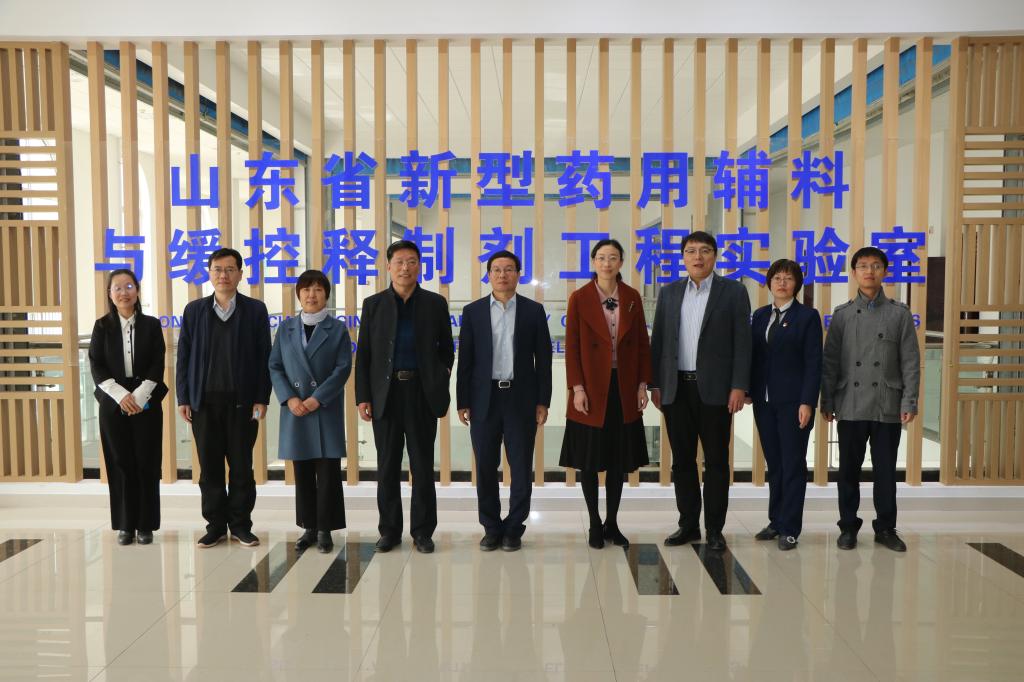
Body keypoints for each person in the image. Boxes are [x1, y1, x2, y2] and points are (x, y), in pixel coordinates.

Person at [650, 230, 751, 552]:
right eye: (691, 251)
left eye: (704, 250)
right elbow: (659, 341)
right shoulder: (669, 293)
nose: (698, 257)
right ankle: (688, 524)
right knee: (682, 462)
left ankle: (715, 528)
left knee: (717, 462)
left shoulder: (733, 292)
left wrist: (739, 385)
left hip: (717, 391)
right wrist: (655, 384)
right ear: (683, 257)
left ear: (714, 256)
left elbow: (743, 343)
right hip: (676, 388)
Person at [355, 240, 455, 554]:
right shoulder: (373, 305)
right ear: (388, 266)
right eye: (399, 262)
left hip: (422, 393)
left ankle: (423, 532)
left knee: (422, 465)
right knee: (387, 465)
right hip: (385, 395)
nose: (405, 268)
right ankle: (389, 531)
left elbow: (447, 350)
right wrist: (363, 396)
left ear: (419, 266)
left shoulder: (435, 303)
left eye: (411, 261)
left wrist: (439, 378)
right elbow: (365, 355)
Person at [821, 246, 920, 552]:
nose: (869, 271)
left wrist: (909, 400)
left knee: (886, 471)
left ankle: (886, 528)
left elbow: (910, 361)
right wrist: (827, 401)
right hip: (850, 402)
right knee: (848, 471)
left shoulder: (899, 314)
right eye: (863, 266)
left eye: (876, 266)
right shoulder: (842, 315)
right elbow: (830, 362)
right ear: (854, 273)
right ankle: (848, 526)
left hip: (886, 402)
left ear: (884, 272)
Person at [457, 250, 553, 552]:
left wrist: (543, 400)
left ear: (518, 275)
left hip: (520, 398)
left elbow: (544, 360)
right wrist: (462, 400)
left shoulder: (533, 311)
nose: (502, 275)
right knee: (486, 466)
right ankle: (490, 527)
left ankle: (514, 528)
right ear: (489, 275)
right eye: (496, 269)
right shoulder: (473, 312)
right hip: (483, 398)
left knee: (521, 466)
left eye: (509, 269)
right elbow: (466, 360)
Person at [176, 248, 271, 549]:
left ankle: (241, 525)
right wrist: (183, 397)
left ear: (240, 274)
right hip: (204, 404)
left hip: (243, 404)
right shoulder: (194, 311)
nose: (223, 275)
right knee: (210, 468)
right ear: (209, 273)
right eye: (217, 269)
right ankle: (215, 526)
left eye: (230, 269)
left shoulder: (255, 310)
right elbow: (183, 357)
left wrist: (262, 397)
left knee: (242, 467)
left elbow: (264, 357)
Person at [560, 238, 651, 549]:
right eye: (601, 257)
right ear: (593, 262)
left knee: (617, 460)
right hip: (590, 389)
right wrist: (577, 388)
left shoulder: (632, 297)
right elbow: (572, 347)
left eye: (613, 257)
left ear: (621, 262)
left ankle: (612, 522)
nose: (607, 263)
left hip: (623, 387)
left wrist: (642, 384)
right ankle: (594, 523)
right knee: (588, 461)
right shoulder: (580, 298)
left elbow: (642, 345)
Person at [269, 269, 352, 554]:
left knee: (328, 473)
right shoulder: (286, 329)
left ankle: (325, 528)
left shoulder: (337, 329)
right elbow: (275, 366)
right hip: (296, 410)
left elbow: (343, 368)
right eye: (306, 289)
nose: (311, 295)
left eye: (317, 289)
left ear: (326, 294)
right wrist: (289, 398)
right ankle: (309, 527)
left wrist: (318, 398)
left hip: (324, 408)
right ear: (299, 294)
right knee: (302, 472)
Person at [88, 269, 168, 545]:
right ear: (110, 294)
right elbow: (96, 364)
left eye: (129, 286)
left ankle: (145, 525)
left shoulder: (151, 325)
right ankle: (125, 525)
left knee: (147, 462)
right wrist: (122, 396)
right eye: (118, 288)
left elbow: (158, 362)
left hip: (146, 402)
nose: (124, 292)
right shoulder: (101, 326)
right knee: (120, 462)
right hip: (113, 403)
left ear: (137, 291)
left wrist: (140, 396)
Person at [748, 259, 822, 551]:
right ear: (769, 282)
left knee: (792, 465)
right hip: (764, 402)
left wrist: (807, 401)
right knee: (775, 464)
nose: (782, 283)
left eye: (788, 279)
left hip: (794, 403)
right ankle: (775, 521)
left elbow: (813, 363)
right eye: (777, 278)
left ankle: (790, 528)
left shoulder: (807, 316)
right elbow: (755, 356)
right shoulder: (760, 315)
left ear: (797, 285)